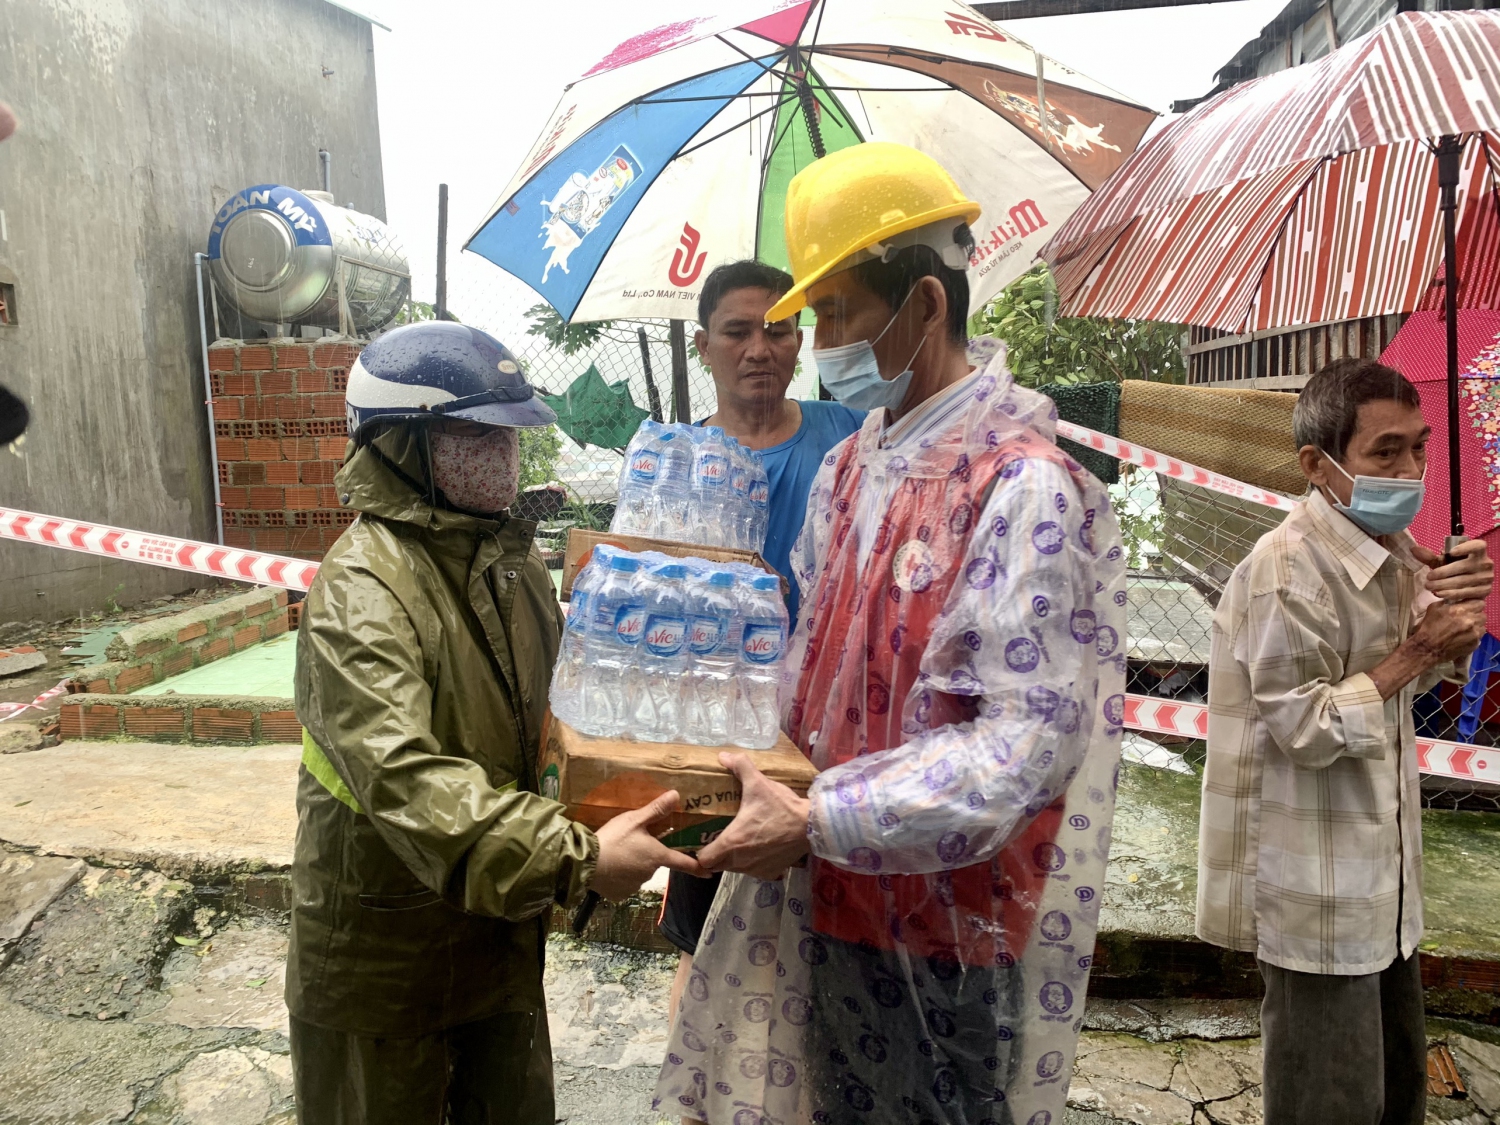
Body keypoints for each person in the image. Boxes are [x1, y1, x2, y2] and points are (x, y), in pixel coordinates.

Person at [653, 142, 1128, 1125]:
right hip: (827, 898)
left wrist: (821, 816)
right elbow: (804, 672)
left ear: (923, 307)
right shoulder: (856, 469)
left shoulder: (1022, 486)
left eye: (835, 313)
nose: (814, 342)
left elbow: (1025, 748)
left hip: (948, 930)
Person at [290, 321, 702, 1125]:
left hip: (499, 935)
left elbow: (556, 725)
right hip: (385, 963)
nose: (503, 456)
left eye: (508, 435)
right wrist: (580, 856)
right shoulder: (361, 593)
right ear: (405, 444)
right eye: (477, 433)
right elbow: (409, 781)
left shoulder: (508, 563)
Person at [1196, 357, 1491, 1125]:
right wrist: (1420, 649)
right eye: (1384, 452)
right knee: (1330, 1103)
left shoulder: (1390, 552)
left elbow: (1406, 692)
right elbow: (1305, 727)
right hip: (1316, 897)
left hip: (1382, 887)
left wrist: (1457, 617)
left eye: (1419, 447)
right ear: (1317, 466)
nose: (1412, 469)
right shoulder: (1287, 571)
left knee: (1393, 1094)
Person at [659, 260, 863, 1028]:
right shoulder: (673, 462)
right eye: (737, 331)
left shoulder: (846, 435)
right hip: (716, 737)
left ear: (801, 339)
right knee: (704, 930)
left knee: (815, 932)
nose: (759, 348)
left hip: (828, 733)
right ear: (705, 347)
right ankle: (697, 1099)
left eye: (777, 329)